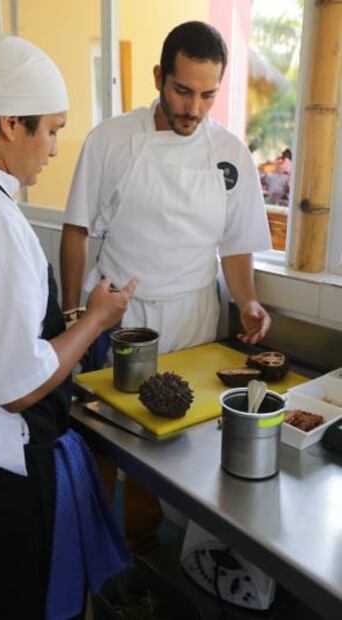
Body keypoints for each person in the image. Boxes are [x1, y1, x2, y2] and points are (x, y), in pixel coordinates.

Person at [0, 35, 138, 620]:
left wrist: (59, 323)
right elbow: (18, 385)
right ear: (10, 123)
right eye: (51, 129)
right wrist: (95, 317)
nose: (54, 147)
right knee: (16, 597)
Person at [60, 21, 272, 550]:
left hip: (197, 320)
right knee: (108, 444)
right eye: (182, 91)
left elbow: (235, 244)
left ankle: (148, 545)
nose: (193, 109)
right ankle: (99, 550)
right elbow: (76, 230)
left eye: (207, 95)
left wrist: (247, 301)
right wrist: (71, 318)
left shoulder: (231, 153)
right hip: (120, 319)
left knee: (180, 448)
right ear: (159, 76)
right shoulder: (111, 140)